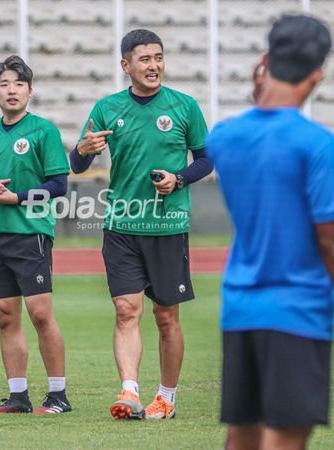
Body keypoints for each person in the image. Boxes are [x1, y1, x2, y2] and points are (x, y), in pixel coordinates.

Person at [206, 15, 334, 450]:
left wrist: (258, 97)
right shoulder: (316, 144)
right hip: (298, 311)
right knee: (286, 439)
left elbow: (256, 135)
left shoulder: (225, 137)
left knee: (241, 437)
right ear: (318, 74)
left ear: (265, 61)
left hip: (241, 308)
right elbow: (331, 242)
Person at [70, 29, 213, 420]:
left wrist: (178, 179)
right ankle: (129, 392)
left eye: (159, 58)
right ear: (126, 65)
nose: (153, 66)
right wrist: (81, 150)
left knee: (166, 316)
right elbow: (78, 163)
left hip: (167, 227)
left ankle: (166, 397)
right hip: (121, 224)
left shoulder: (184, 106)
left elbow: (205, 159)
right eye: (145, 59)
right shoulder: (106, 108)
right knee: (125, 309)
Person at [0, 55, 73, 414]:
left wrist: (18, 198)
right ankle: (18, 396)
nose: (12, 91)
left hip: (31, 236)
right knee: (5, 316)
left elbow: (58, 186)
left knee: (40, 314)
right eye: (4, 85)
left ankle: (58, 395)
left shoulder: (44, 131)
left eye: (19, 84)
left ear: (30, 90)